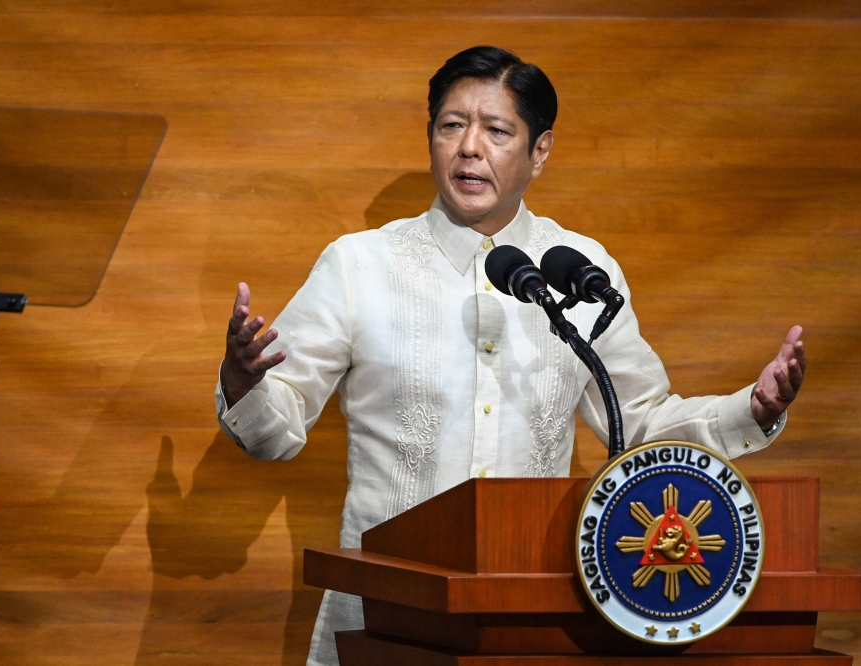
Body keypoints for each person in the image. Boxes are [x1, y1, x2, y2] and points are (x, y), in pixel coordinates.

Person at [215, 46, 806, 666]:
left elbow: (639, 425)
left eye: (496, 130)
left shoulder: (581, 273)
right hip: (386, 616)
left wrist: (753, 408)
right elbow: (274, 433)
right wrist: (243, 380)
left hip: (532, 619)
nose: (470, 147)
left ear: (539, 151)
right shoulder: (360, 265)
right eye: (451, 126)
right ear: (431, 138)